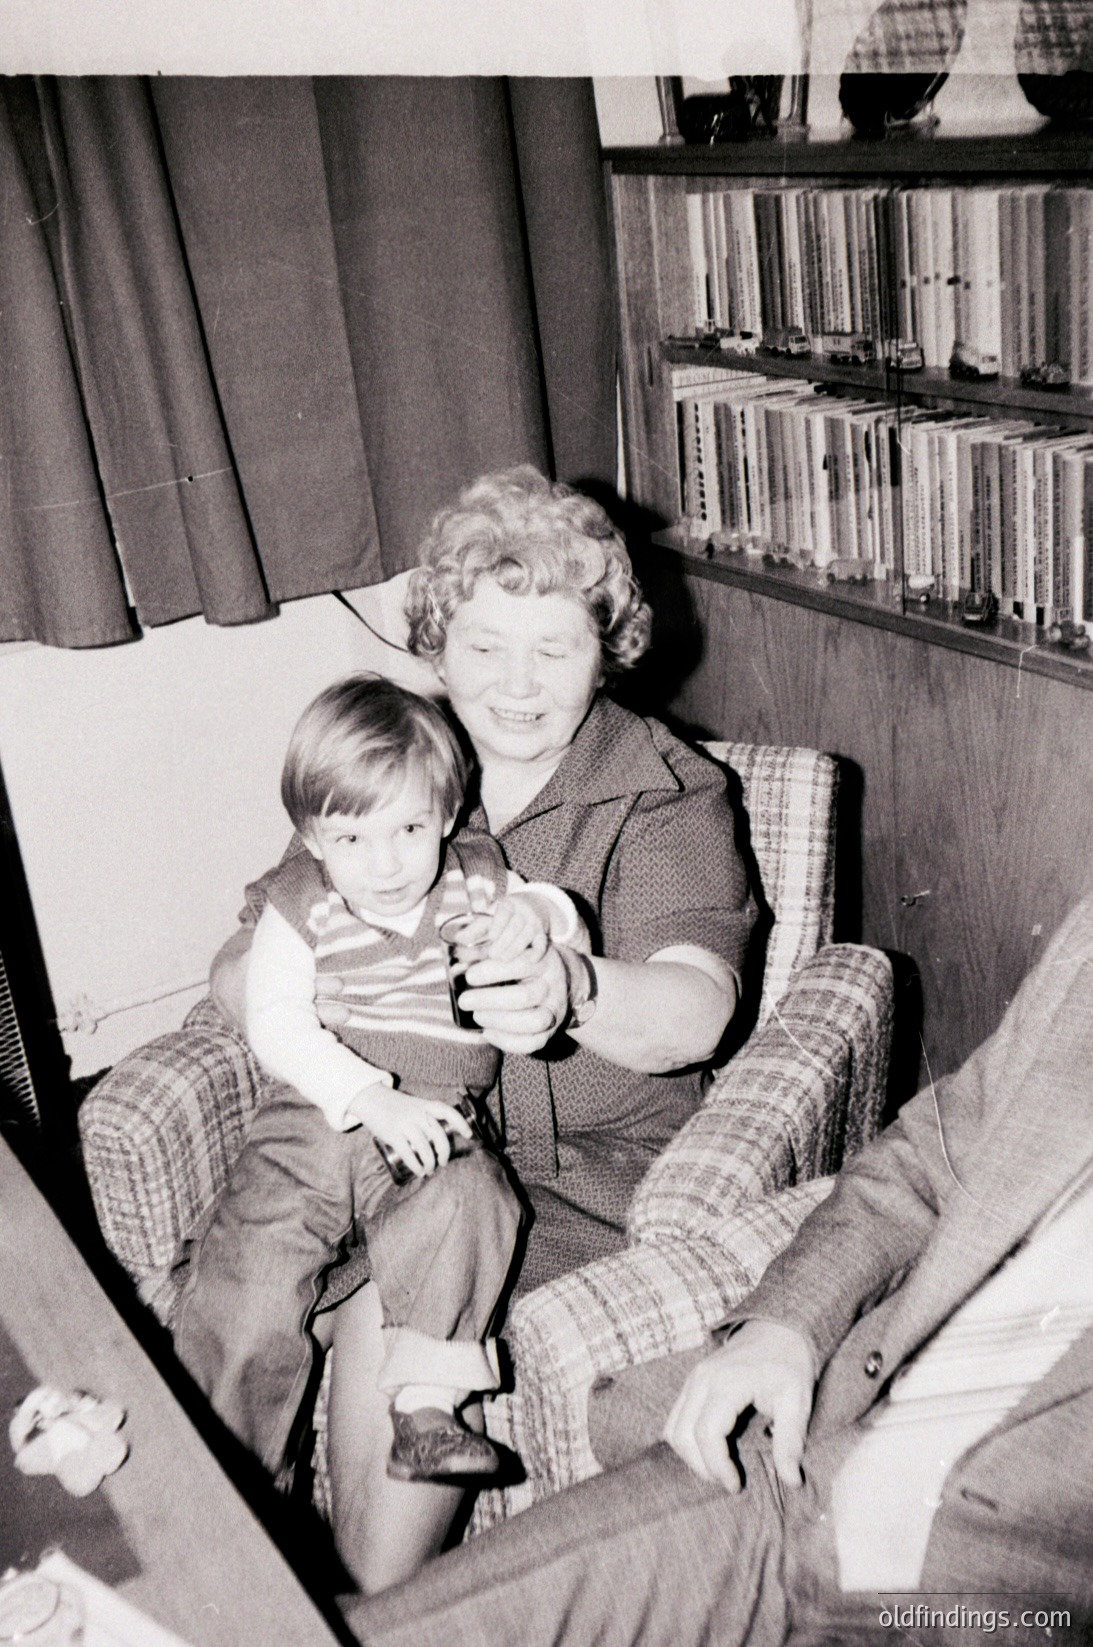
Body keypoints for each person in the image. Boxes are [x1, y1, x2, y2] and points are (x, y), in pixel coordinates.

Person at [208, 465, 757, 1591]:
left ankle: (371, 1612)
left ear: (606, 651)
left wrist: (571, 988)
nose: (515, 684)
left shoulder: (664, 794)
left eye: (554, 648)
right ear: (438, 647)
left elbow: (694, 1012)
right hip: (380, 1141)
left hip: (561, 1175)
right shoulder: (395, 763)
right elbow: (246, 964)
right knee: (247, 1286)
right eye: (484, 645)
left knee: (399, 1304)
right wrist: (306, 1001)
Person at [342, 890, 1093, 1647]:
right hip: (802, 1459)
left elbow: (694, 1010)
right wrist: (787, 1322)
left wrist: (573, 984)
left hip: (988, 1596)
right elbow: (931, 1157)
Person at [176, 675, 585, 1488]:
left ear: (447, 813)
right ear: (312, 837)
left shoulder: (480, 879)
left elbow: (558, 913)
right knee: (253, 1267)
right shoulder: (300, 902)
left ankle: (427, 1407)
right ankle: (227, 1472)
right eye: (352, 838)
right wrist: (367, 1097)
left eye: (409, 828)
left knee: (472, 1198)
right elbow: (275, 1020)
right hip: (315, 1112)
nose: (387, 862)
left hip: (436, 1109)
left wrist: (539, 919)